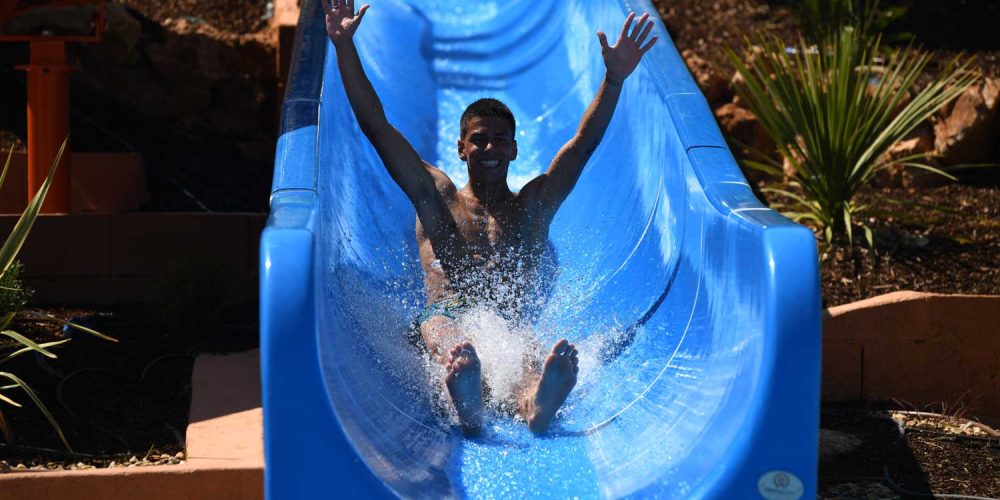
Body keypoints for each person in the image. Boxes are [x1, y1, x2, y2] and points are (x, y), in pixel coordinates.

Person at [323, 0, 657, 436]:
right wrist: (344, 46)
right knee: (443, 333)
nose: (489, 149)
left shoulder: (532, 206)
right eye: (479, 140)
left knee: (522, 351)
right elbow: (377, 127)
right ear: (461, 148)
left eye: (500, 140)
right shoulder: (436, 196)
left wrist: (613, 80)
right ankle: (469, 400)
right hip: (447, 314)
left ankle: (534, 403)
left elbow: (581, 146)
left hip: (507, 325)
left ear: (515, 149)